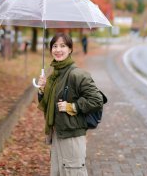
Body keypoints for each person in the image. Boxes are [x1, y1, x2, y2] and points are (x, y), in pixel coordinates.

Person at [38, 33, 103, 176]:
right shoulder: (54, 75)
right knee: (58, 172)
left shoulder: (77, 74)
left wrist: (72, 106)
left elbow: (97, 100)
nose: (58, 50)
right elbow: (48, 105)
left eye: (63, 46)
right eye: (54, 46)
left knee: (74, 172)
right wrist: (43, 89)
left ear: (70, 49)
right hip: (58, 133)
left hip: (72, 135)